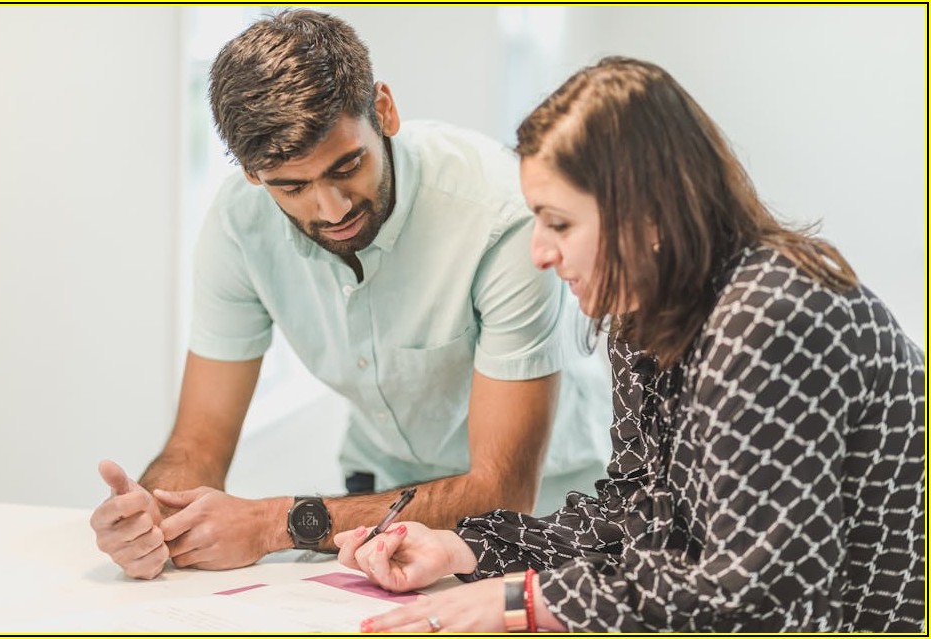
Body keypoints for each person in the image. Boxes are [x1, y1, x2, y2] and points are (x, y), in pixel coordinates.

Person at [335, 56, 926, 632]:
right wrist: (461, 548)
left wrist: (524, 603)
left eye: (559, 223)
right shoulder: (642, 311)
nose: (540, 253)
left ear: (647, 215)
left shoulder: (769, 315)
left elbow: (761, 598)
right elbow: (635, 517)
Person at [88, 10, 612, 580]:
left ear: (383, 110)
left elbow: (502, 490)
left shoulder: (500, 218)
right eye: (293, 186)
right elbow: (199, 439)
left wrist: (271, 524)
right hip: (378, 494)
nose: (332, 209)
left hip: (551, 513)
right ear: (252, 173)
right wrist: (155, 514)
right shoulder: (240, 225)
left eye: (348, 166)